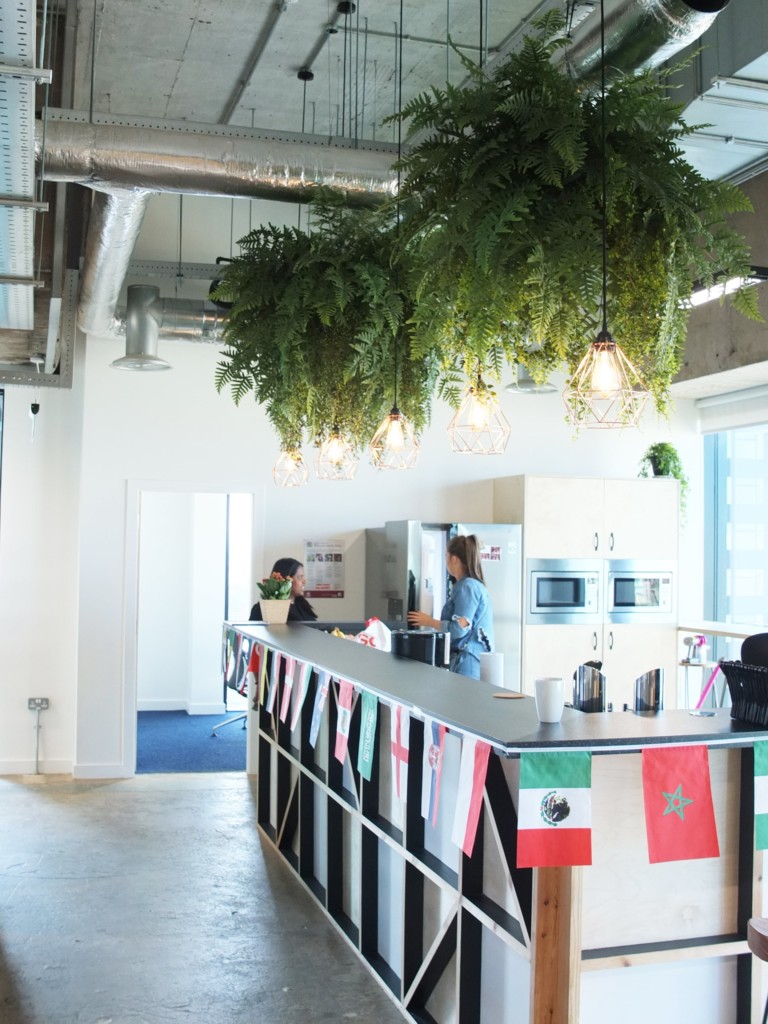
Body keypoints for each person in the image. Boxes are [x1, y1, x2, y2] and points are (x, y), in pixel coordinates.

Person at [407, 534, 493, 679]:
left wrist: (429, 622)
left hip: (468, 663)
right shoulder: (467, 586)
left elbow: (459, 629)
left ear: (453, 559)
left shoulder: (467, 587)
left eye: (446, 556)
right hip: (467, 661)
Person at [249, 557, 318, 623]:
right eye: (300, 577)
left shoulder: (302, 605)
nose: (304, 581)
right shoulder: (264, 609)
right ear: (287, 579)